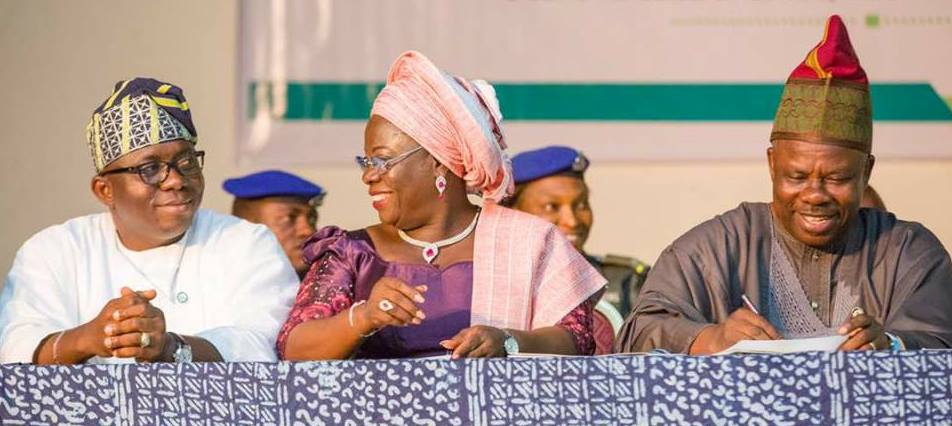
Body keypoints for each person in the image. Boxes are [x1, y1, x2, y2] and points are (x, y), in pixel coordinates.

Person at [615, 16, 952, 355]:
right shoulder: (718, 247)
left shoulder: (910, 253)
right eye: (797, 176)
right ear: (772, 164)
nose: (815, 195)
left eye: (836, 178)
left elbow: (941, 342)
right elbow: (637, 333)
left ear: (867, 171)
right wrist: (713, 339)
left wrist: (892, 346)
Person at [277, 51, 606, 360]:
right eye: (366, 162)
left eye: (383, 160)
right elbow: (293, 347)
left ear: (438, 163)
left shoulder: (529, 241)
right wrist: (363, 317)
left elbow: (576, 338)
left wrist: (508, 341)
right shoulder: (352, 252)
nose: (368, 176)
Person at [0, 78, 299, 364]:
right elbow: (16, 346)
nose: (176, 181)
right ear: (105, 190)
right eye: (151, 169)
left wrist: (172, 347)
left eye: (186, 162)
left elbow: (262, 345)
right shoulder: (55, 250)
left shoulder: (245, 243)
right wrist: (89, 338)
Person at [504, 145, 649, 353]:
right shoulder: (490, 283)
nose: (572, 221)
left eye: (581, 205)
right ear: (511, 211)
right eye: (551, 207)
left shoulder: (628, 282)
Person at [224, 170, 326, 278]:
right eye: (289, 218)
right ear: (248, 227)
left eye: (311, 219)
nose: (308, 231)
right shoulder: (216, 287)